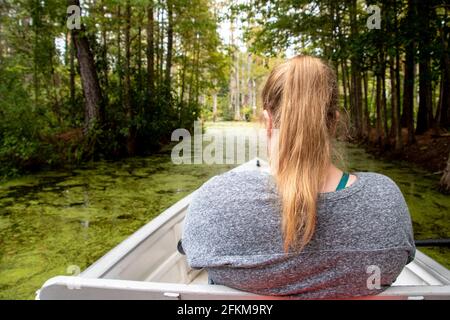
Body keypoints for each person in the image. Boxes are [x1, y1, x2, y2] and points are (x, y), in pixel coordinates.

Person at [182, 55, 415, 299]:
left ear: (268, 121)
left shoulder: (213, 200)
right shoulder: (386, 201)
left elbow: (192, 252)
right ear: (334, 122)